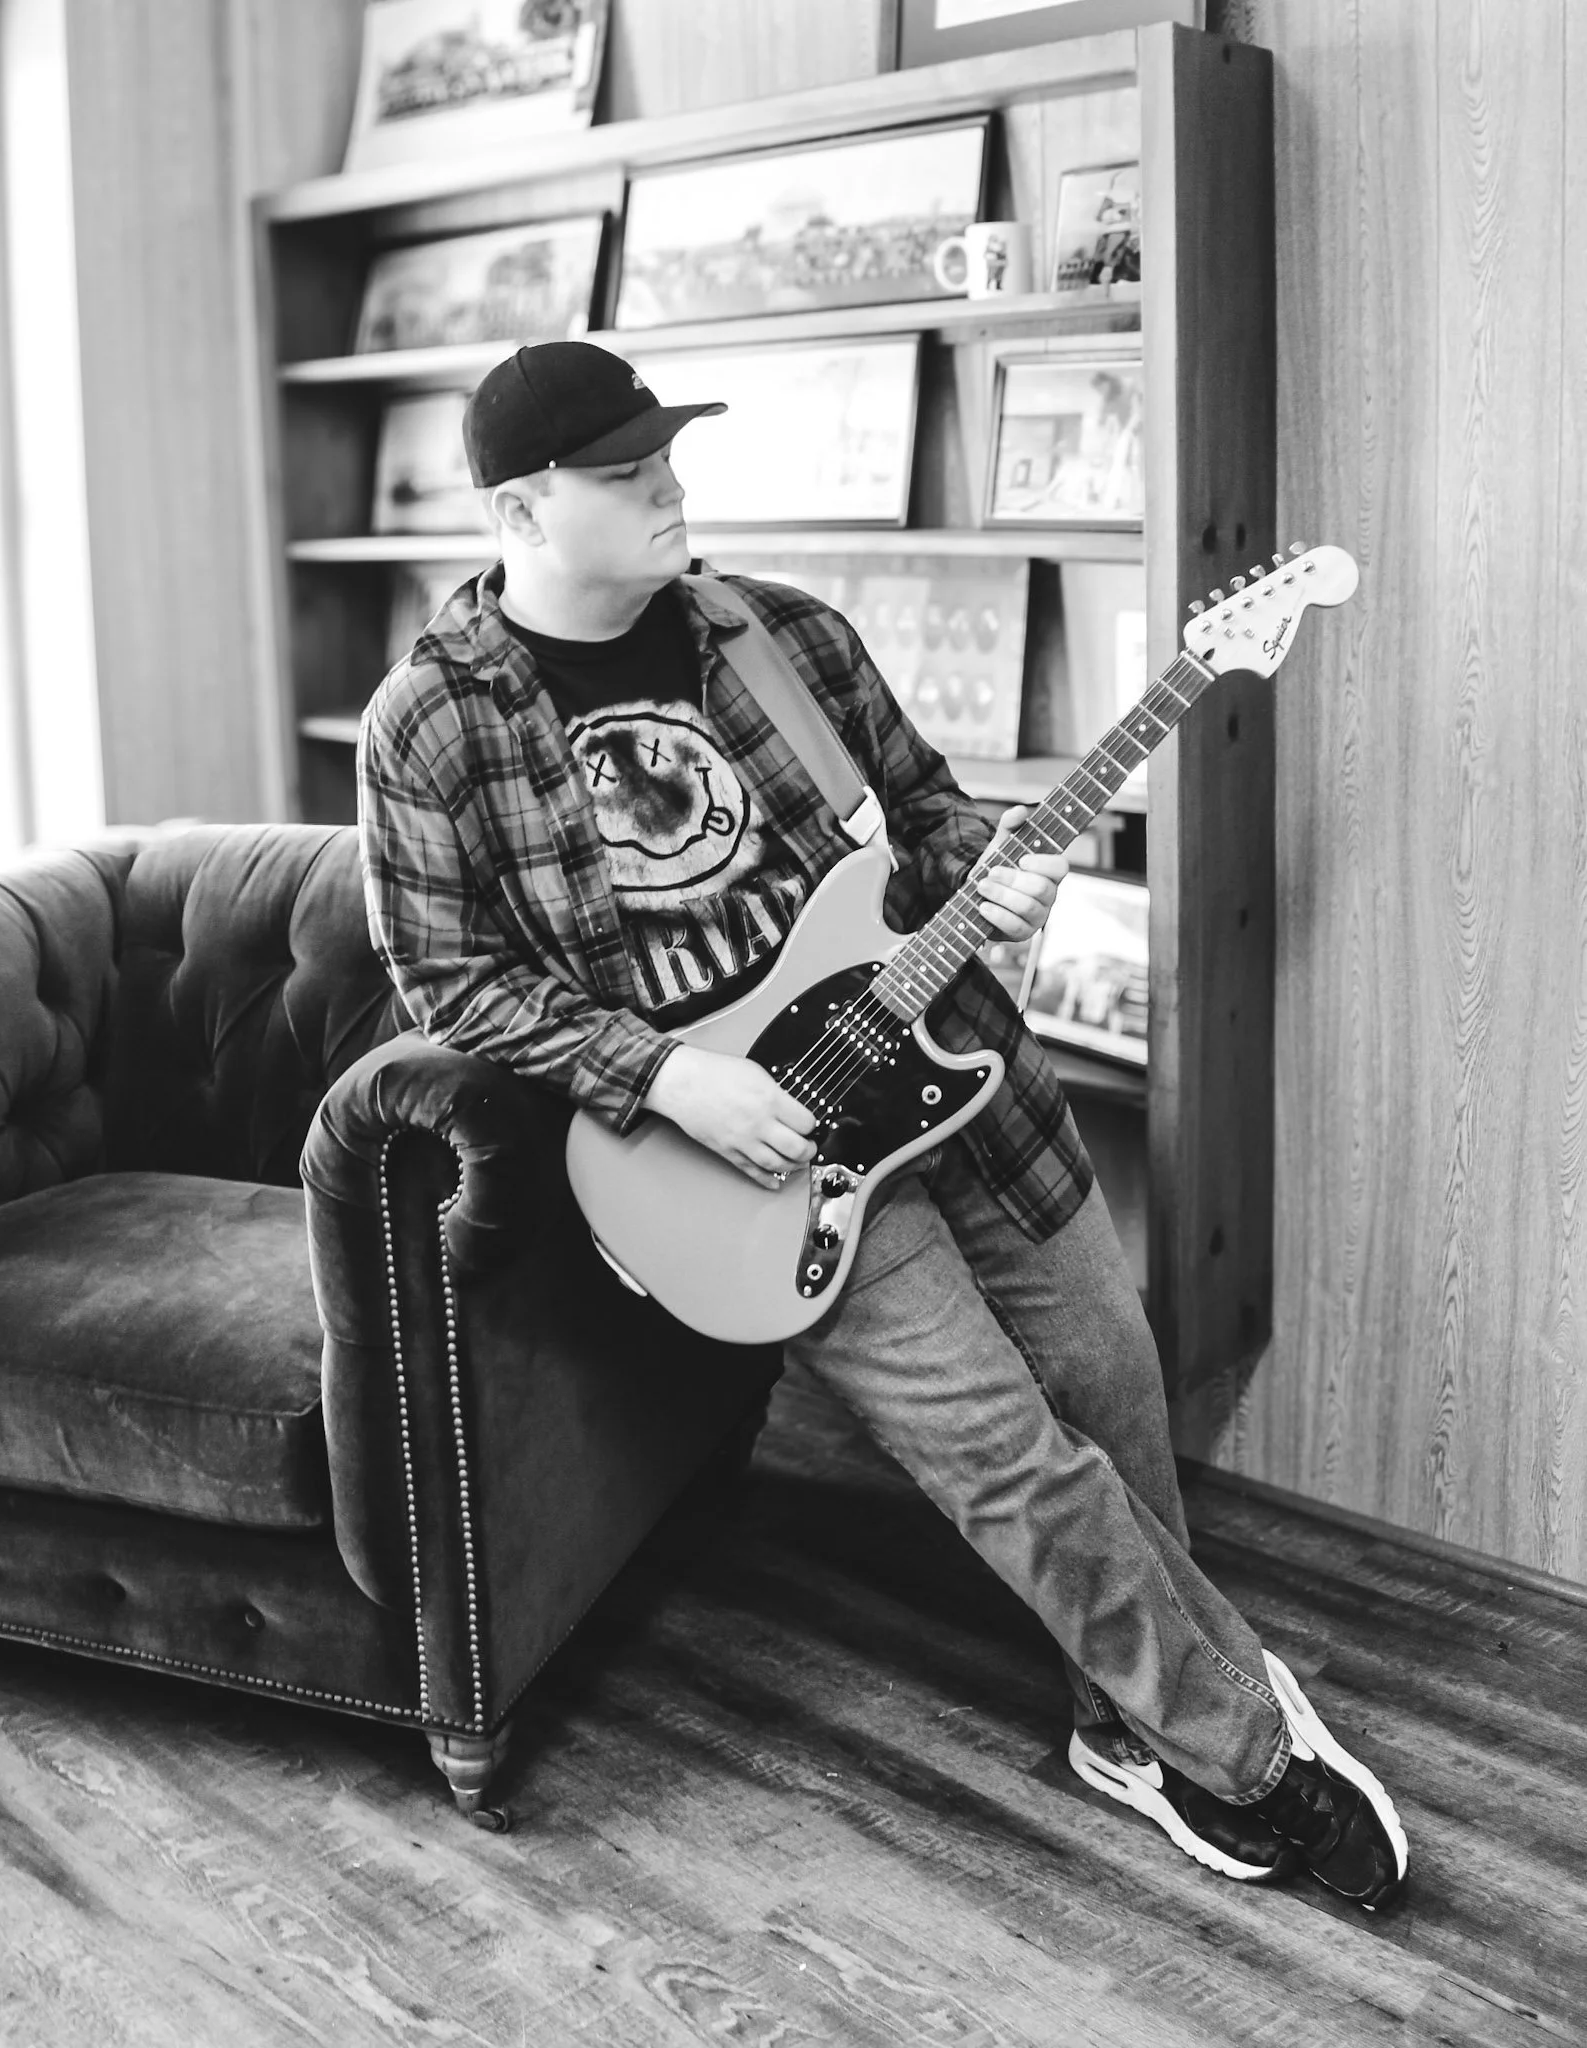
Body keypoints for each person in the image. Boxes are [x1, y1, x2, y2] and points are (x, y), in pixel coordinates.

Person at [357, 341, 1408, 1911]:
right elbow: (446, 980)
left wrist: (999, 878)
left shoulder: (780, 635)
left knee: (1110, 1375)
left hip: (953, 1068)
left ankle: (1118, 1714)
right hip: (753, 1156)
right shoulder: (428, 728)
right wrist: (664, 1076)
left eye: (670, 459)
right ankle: (1239, 1755)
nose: (671, 489)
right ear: (519, 507)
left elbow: (919, 819)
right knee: (1003, 1456)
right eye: (628, 472)